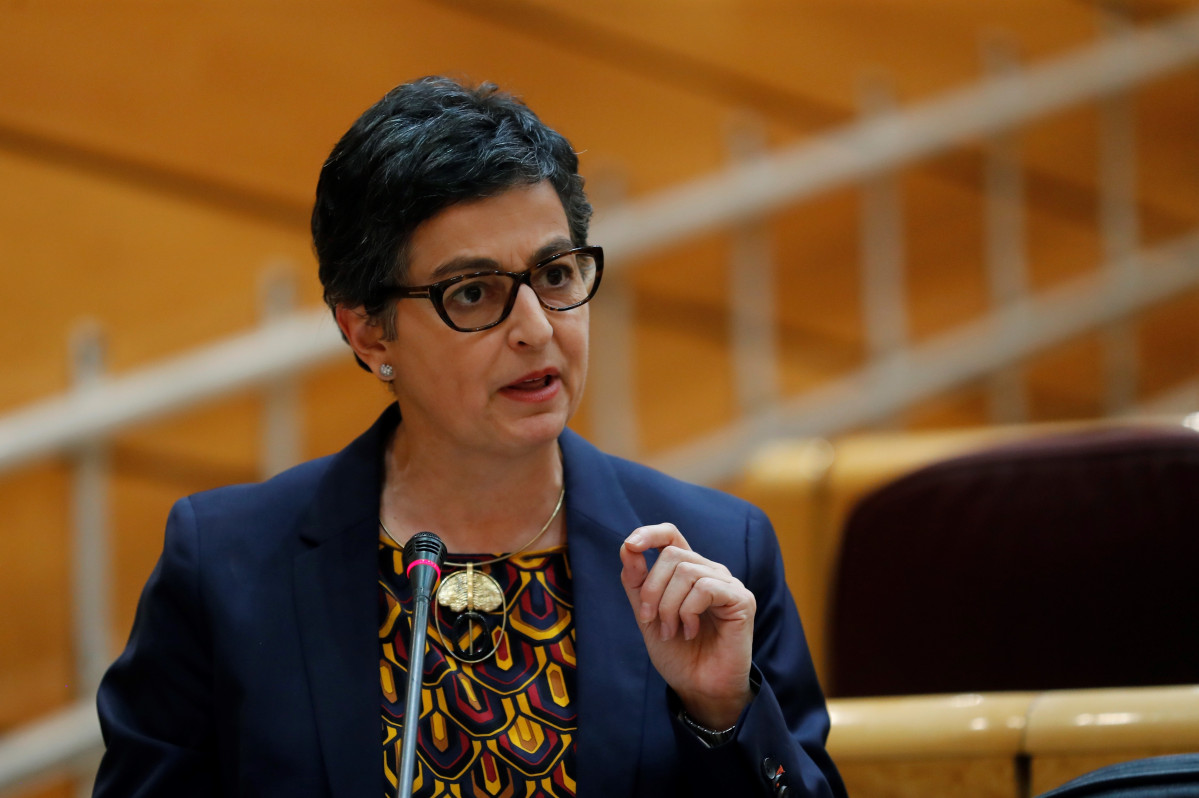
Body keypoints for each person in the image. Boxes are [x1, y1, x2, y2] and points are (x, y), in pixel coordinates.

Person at [93, 76, 845, 798]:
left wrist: (724, 716)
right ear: (367, 331)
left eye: (555, 273)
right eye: (473, 292)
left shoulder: (716, 551)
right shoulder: (226, 568)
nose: (535, 329)